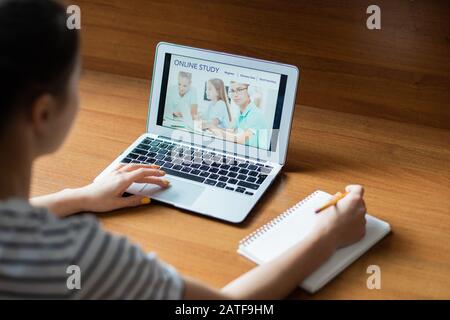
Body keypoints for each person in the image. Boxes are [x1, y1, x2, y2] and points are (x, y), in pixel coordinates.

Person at [0, 0, 367, 299]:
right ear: (43, 113)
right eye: (78, 81)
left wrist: (78, 197)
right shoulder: (77, 257)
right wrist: (326, 236)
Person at [210, 82, 268, 149]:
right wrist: (211, 128)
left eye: (239, 90)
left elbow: (240, 140)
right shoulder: (240, 113)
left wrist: (215, 129)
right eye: (232, 91)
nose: (235, 95)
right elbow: (230, 131)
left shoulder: (256, 115)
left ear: (250, 92)